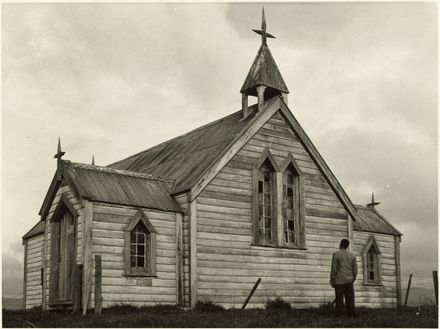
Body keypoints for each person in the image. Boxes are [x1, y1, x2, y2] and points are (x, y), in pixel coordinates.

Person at [330, 238, 358, 317]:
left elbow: (334, 269)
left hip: (339, 281)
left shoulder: (336, 254)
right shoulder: (352, 256)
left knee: (339, 300)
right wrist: (353, 278)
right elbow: (355, 270)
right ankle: (351, 315)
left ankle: (339, 316)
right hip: (349, 281)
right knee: (350, 300)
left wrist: (332, 280)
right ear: (347, 246)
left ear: (341, 244)